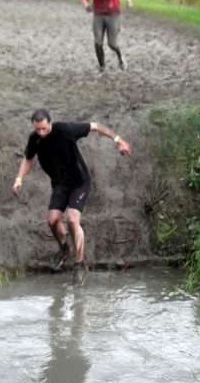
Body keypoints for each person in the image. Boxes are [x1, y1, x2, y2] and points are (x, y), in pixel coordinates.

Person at [12, 109, 131, 284]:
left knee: (73, 220)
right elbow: (28, 158)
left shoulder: (66, 130)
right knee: (52, 221)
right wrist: (19, 178)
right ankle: (64, 249)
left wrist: (118, 140)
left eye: (44, 128)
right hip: (60, 184)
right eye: (37, 129)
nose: (41, 133)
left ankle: (79, 264)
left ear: (50, 123)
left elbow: (96, 126)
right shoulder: (35, 139)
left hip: (79, 182)